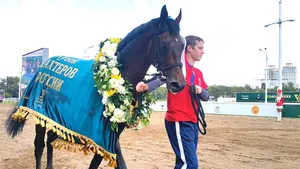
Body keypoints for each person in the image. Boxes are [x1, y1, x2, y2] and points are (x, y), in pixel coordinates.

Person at [136, 35, 209, 169]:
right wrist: (146, 87)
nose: (203, 51)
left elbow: (206, 96)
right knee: (190, 165)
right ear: (189, 49)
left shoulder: (198, 73)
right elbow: (161, 79)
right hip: (179, 120)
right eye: (200, 48)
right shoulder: (178, 69)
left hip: (193, 122)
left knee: (183, 163)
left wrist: (200, 90)